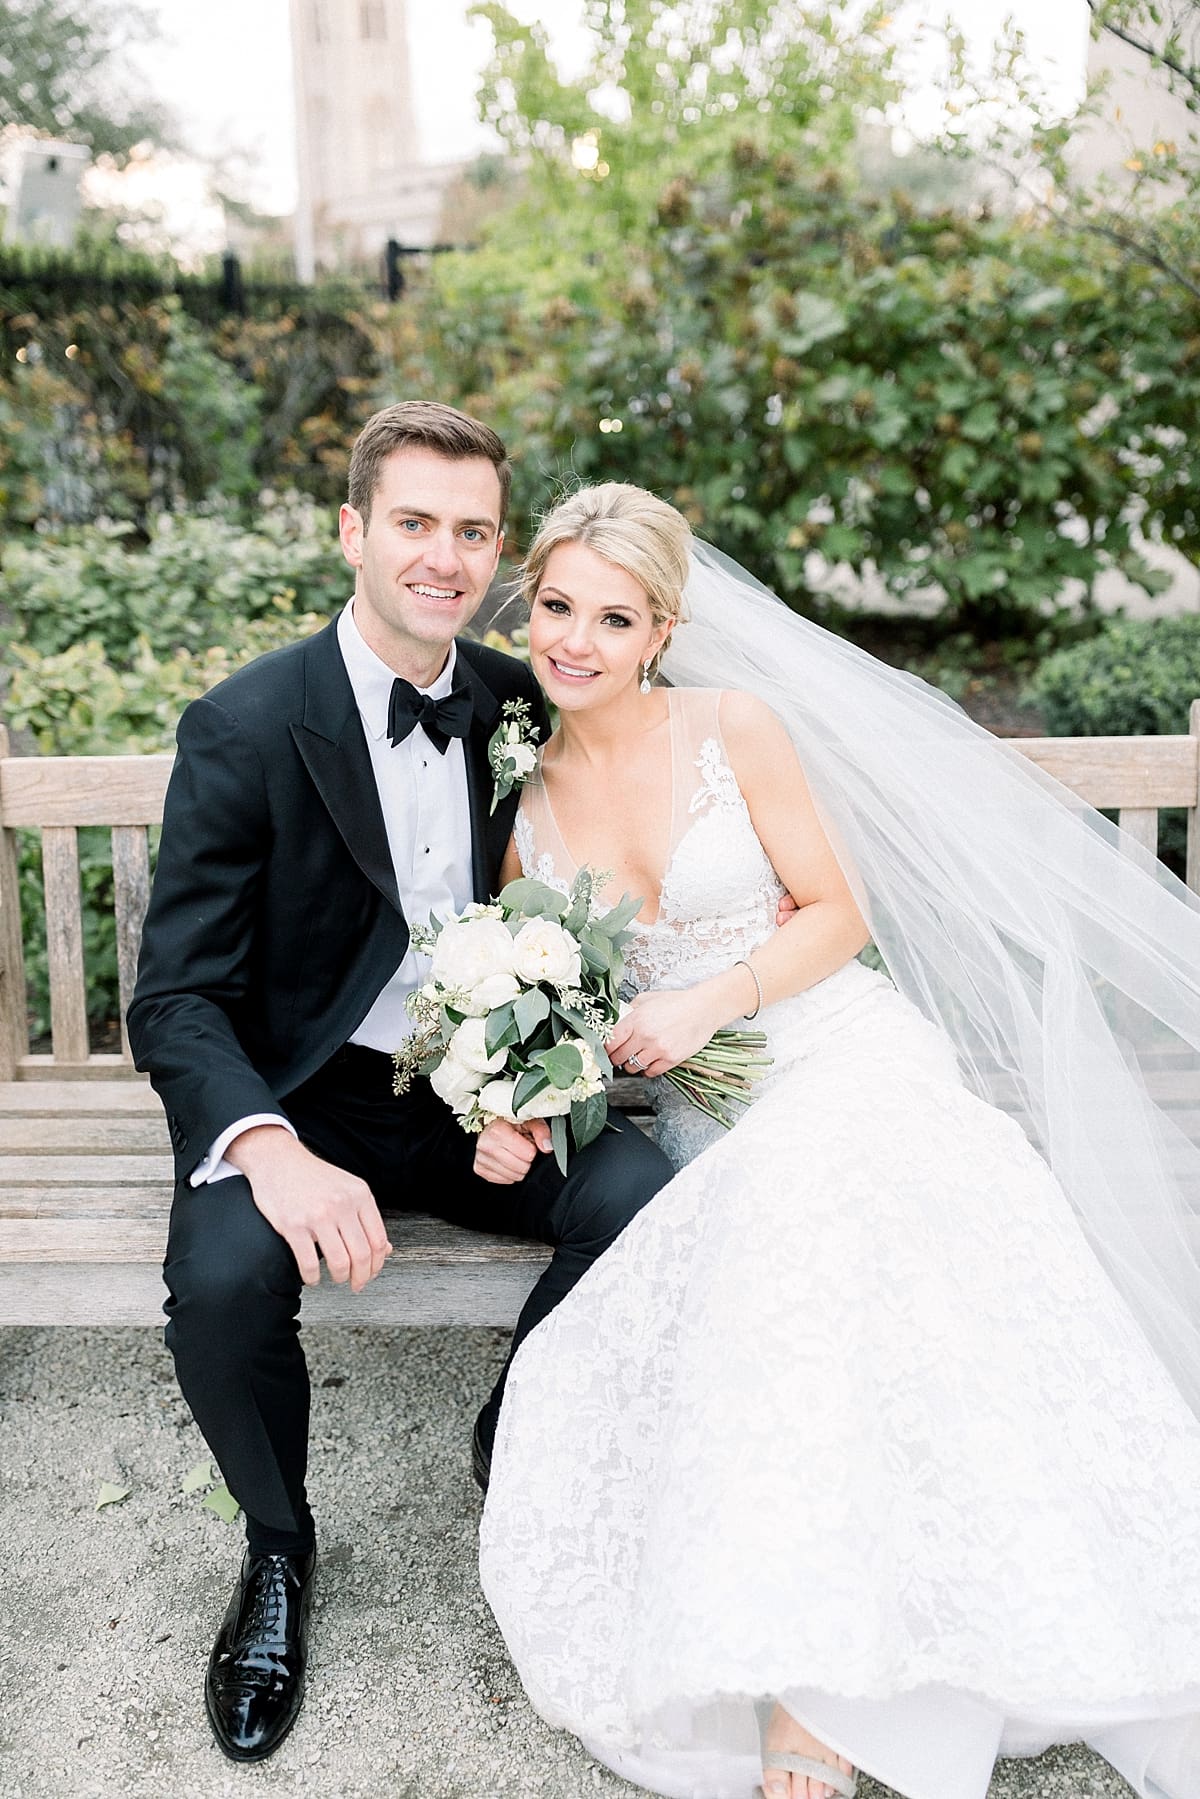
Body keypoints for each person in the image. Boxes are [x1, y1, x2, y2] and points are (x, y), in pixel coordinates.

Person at [475, 482, 1200, 1799]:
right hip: (714, 1111)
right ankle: (843, 1628)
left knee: (853, 1201)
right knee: (804, 1248)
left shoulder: (731, 728)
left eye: (612, 617)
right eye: (559, 607)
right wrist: (520, 1101)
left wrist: (705, 998)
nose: (575, 640)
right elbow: (553, 993)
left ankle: (817, 1698)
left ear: (662, 630)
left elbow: (838, 914)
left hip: (836, 1047)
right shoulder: (524, 792)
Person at [126, 407, 675, 1764]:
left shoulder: (521, 697)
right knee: (223, 1282)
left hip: (476, 1097)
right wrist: (265, 1144)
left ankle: (515, 1444)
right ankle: (275, 1547)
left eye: (472, 530)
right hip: (303, 1099)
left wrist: (538, 1082)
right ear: (354, 532)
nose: (444, 556)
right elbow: (177, 995)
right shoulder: (248, 725)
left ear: (497, 548)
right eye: (415, 523)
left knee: (642, 1196)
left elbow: (597, 893)